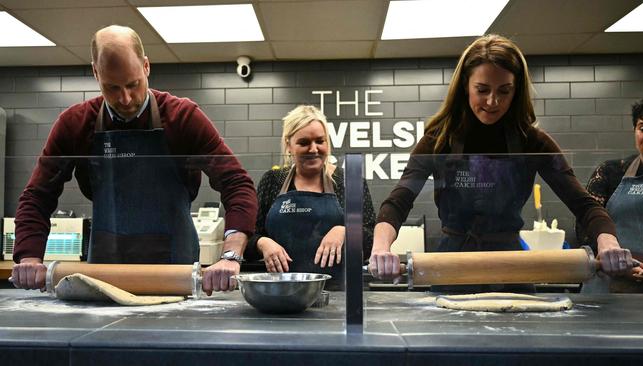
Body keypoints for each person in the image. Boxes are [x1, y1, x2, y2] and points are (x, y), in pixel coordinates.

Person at [369, 34, 635, 291]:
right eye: (482, 90)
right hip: (452, 266)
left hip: (511, 267)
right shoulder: (439, 142)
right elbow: (398, 202)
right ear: (465, 85)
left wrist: (608, 242)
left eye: (504, 91)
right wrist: (381, 248)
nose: (492, 101)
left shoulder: (533, 143)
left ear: (516, 91)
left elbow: (584, 205)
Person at [11, 25, 257, 295]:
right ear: (95, 73)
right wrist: (29, 257)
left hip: (175, 271)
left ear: (146, 66)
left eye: (133, 84)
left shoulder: (183, 117)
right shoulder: (75, 124)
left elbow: (236, 184)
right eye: (112, 87)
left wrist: (231, 254)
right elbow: (37, 196)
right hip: (104, 272)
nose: (125, 98)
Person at [244, 105, 375, 288]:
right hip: (283, 292)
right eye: (304, 143)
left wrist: (345, 231)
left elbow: (372, 241)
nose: (313, 149)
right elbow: (248, 239)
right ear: (289, 145)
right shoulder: (273, 180)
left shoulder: (349, 181)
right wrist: (263, 243)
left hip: (342, 293)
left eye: (320, 141)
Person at [578, 97, 643, 292]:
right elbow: (585, 225)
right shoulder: (610, 172)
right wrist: (612, 260)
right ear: (635, 131)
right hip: (608, 287)